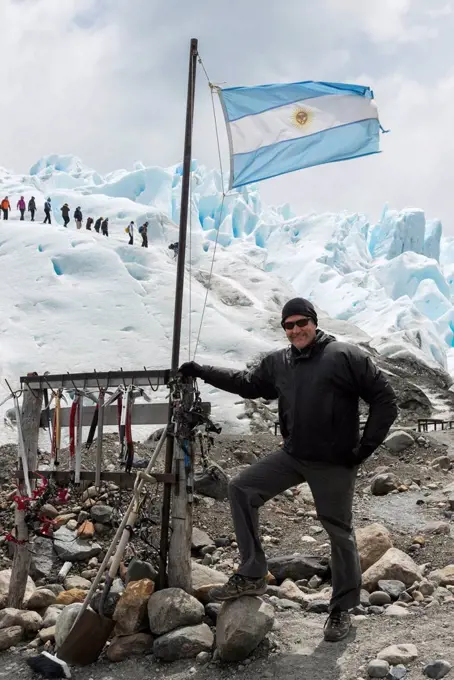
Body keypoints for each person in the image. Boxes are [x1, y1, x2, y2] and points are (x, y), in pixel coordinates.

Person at [178, 297, 398, 643]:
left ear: (314, 321)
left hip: (334, 462)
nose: (295, 330)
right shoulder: (280, 362)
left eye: (301, 323)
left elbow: (385, 400)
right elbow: (248, 384)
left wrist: (363, 448)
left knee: (338, 531)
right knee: (241, 489)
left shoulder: (345, 355)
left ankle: (342, 608)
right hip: (293, 455)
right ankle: (252, 572)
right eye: (289, 325)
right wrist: (202, 371)